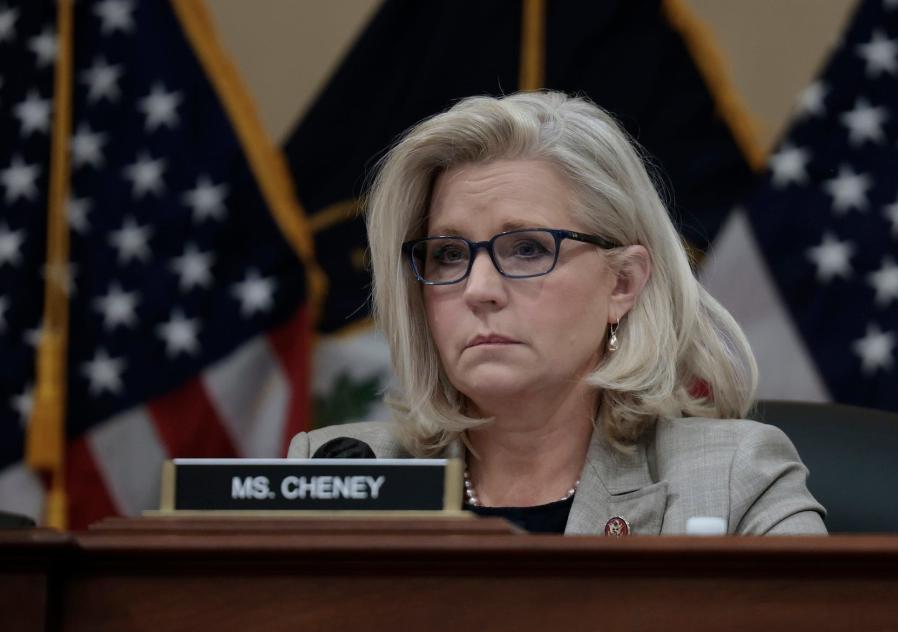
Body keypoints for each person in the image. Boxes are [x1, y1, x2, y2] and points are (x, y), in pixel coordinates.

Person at [288, 91, 826, 536]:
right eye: (449, 255)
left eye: (526, 249)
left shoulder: (731, 480)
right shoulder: (335, 470)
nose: (478, 289)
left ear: (623, 282)